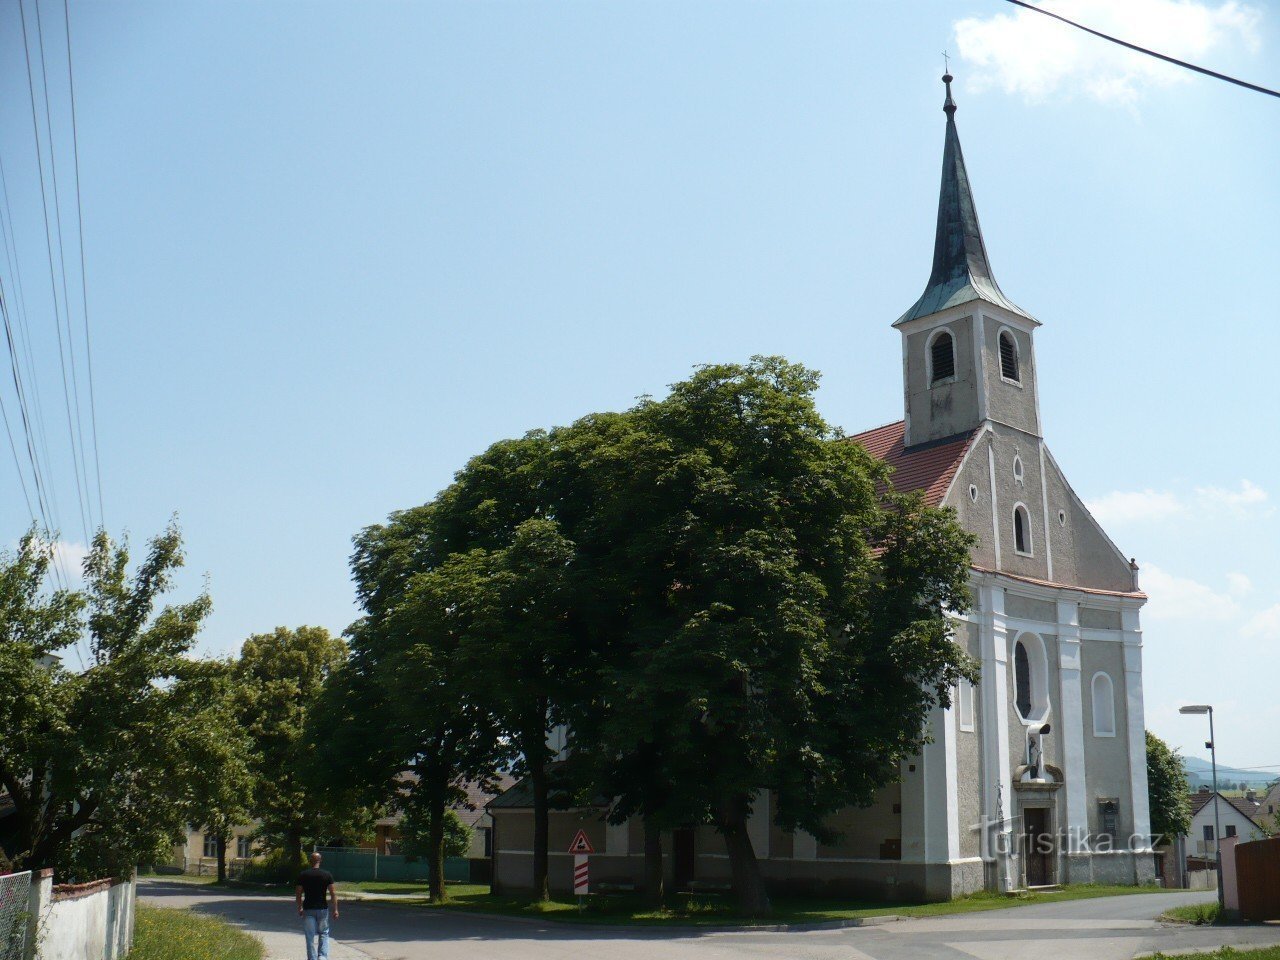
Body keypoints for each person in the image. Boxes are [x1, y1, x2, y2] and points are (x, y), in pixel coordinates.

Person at [296, 851, 339, 960]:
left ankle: (312, 958)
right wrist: (336, 910)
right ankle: (322, 957)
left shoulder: (303, 875)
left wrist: (300, 907)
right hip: (322, 910)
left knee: (309, 937)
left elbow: (298, 893)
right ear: (320, 860)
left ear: (310, 861)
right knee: (324, 933)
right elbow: (333, 893)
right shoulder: (327, 875)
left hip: (308, 909)